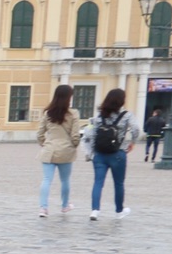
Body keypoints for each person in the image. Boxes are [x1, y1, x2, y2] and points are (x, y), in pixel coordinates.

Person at [33, 83, 80, 218]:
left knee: (46, 179)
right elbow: (75, 135)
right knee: (65, 180)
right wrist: (74, 146)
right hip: (65, 150)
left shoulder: (48, 113)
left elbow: (40, 134)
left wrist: (45, 144)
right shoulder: (73, 113)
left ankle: (43, 208)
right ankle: (65, 205)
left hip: (49, 149)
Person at [87, 87, 134, 221]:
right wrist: (132, 142)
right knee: (118, 183)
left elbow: (92, 133)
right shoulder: (126, 115)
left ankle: (95, 210)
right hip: (118, 153)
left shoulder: (99, 115)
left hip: (100, 154)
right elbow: (136, 129)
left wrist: (92, 151)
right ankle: (119, 211)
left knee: (98, 182)